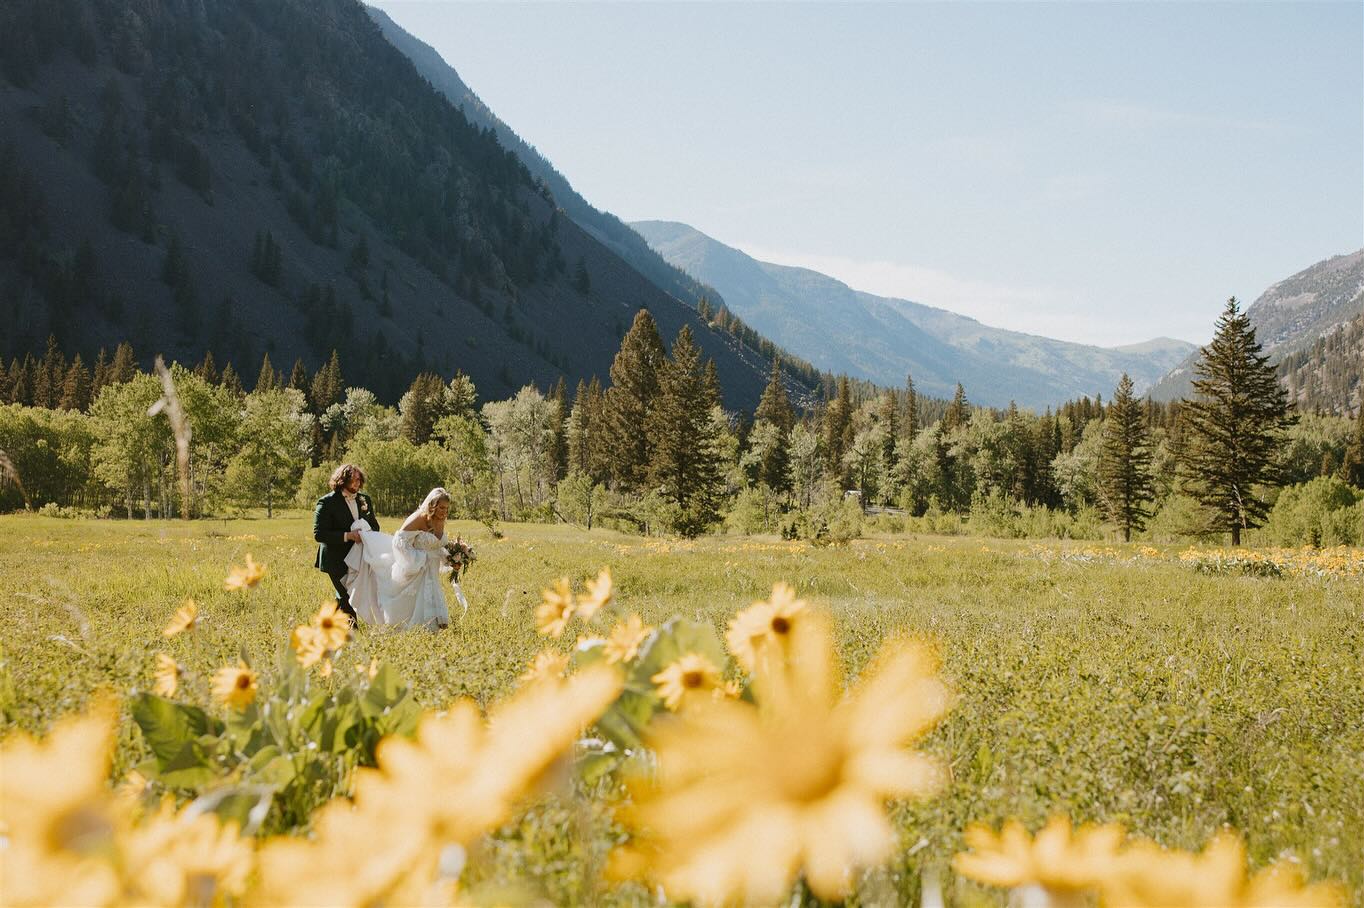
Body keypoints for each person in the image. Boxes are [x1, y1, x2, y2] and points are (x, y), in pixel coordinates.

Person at [346, 487, 453, 631]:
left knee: (431, 594)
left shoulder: (440, 520)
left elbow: (437, 545)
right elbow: (399, 541)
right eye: (441, 508)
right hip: (416, 564)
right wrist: (418, 559)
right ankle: (413, 627)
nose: (444, 512)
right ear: (432, 505)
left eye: (446, 509)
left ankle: (434, 626)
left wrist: (452, 558)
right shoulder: (419, 518)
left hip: (430, 568)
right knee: (410, 601)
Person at [313, 463, 379, 625]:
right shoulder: (327, 502)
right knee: (347, 595)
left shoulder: (365, 500)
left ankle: (328, 622)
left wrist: (366, 533)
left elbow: (375, 526)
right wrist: (348, 535)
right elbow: (319, 534)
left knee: (346, 593)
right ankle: (353, 634)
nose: (357, 483)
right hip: (335, 558)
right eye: (353, 479)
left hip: (358, 557)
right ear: (342, 480)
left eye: (359, 479)